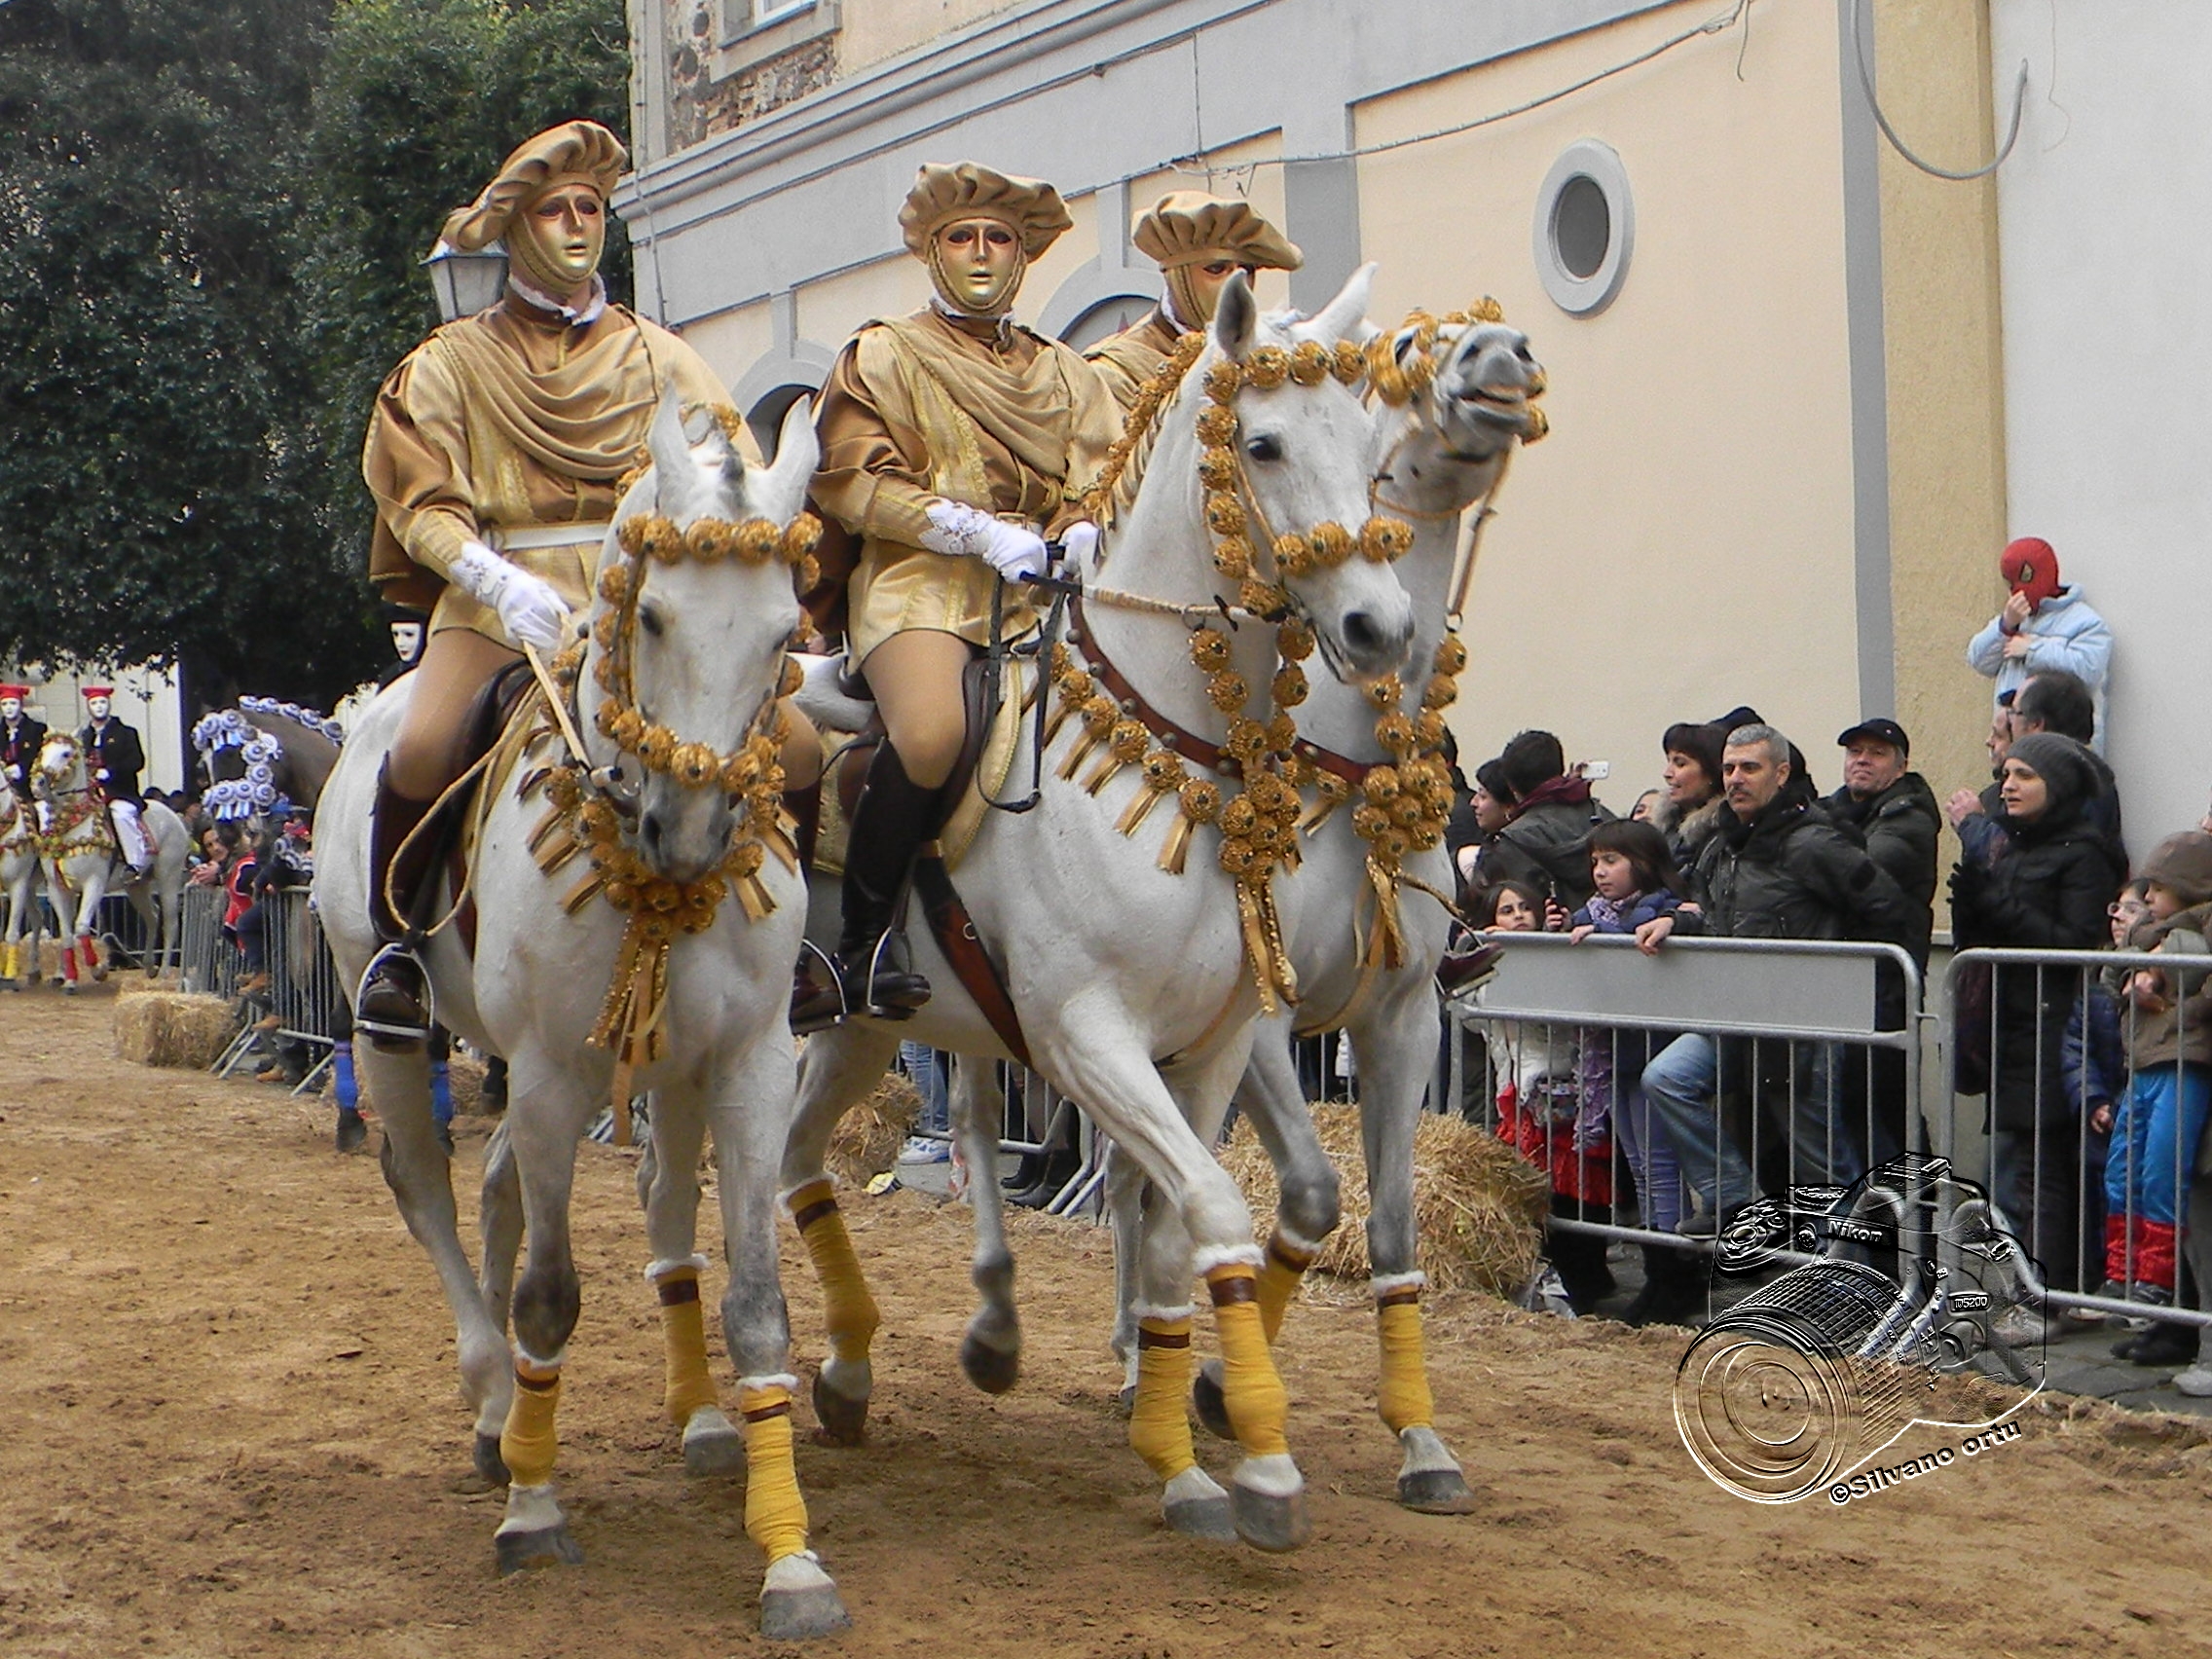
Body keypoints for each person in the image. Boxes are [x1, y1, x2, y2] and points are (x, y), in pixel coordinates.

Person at [356, 120, 762, 1048]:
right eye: (554, 210)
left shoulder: (665, 357)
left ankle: (813, 947)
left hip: (641, 599)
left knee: (794, 746)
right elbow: (421, 504)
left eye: (591, 208)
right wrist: (490, 579)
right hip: (502, 595)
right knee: (421, 747)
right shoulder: (451, 361)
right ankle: (399, 950)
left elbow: (730, 473)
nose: (578, 226)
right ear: (514, 229)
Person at [797, 161, 1116, 1030]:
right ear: (933, 253)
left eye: (999, 238)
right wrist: (977, 531)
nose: (982, 254)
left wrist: (1086, 523)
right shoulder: (883, 353)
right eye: (962, 238)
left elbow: (1104, 469)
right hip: (919, 582)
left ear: (1024, 255)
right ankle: (858, 942)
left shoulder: (1069, 373)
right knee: (934, 733)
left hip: (1044, 591)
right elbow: (853, 482)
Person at [1638, 724, 1920, 1227]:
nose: (1736, 779)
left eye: (1750, 768)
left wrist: (1845, 987)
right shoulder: (1721, 844)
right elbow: (1713, 912)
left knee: (1823, 1168)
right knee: (1667, 1078)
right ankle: (1735, 1200)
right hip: (1738, 1016)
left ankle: (1861, 1277)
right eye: (1728, 769)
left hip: (1805, 1027)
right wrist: (1677, 921)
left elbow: (1888, 911)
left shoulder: (1814, 841)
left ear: (1781, 773)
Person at [1946, 732, 2127, 1299]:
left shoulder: (2085, 852)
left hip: (2057, 1026)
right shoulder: (2016, 846)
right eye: (2006, 774)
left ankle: (2052, 1293)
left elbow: (2069, 942)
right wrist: (1971, 905)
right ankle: (2041, 1287)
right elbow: (1990, 939)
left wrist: (1994, 901)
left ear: (2059, 785)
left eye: (2024, 775)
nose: (2009, 785)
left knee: (2051, 1168)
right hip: (2012, 1022)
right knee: (2031, 1166)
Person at [1567, 821, 1703, 1326]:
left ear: (1642, 864)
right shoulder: (1594, 913)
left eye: (1612, 861)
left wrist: (1600, 935)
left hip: (1652, 1047)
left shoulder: (1663, 908)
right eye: (1596, 861)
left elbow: (1659, 933)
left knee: (1659, 1164)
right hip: (1616, 1053)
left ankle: (1671, 1272)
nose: (1600, 872)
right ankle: (1655, 1267)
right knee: (1640, 1165)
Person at [1473, 879, 1614, 1313]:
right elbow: (1475, 1016)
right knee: (1534, 1187)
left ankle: (1589, 1276)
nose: (1517, 917)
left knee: (1578, 1189)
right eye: (1506, 910)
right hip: (1522, 1092)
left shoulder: (1560, 955)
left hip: (1569, 1088)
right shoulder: (1487, 962)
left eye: (1523, 908)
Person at [2096, 832, 2212, 1360]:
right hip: (2142, 1064)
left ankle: (2157, 1284)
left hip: (2181, 1063)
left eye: (2161, 888)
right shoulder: (2149, 934)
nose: (2150, 897)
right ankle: (2126, 1276)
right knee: (2124, 1170)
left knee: (2161, 1172)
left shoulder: (2196, 930)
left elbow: (2197, 992)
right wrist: (2133, 965)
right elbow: (2108, 980)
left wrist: (2166, 995)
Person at [1085, 192, 1302, 410]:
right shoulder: (1115, 373)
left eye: (1247, 270)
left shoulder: (1266, 358)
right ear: (1178, 277)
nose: (1236, 284)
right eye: (1216, 269)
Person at [1966, 536, 2113, 750]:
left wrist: (2033, 650)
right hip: (2013, 747)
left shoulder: (2085, 623)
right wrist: (2006, 625)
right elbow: (1978, 660)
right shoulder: (2017, 619)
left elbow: (2088, 670)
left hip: (2061, 752)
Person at [1475, 729, 1614, 908]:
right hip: (1624, 932)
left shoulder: (1510, 843)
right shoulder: (1610, 821)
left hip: (1550, 933)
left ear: (1511, 787)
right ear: (1559, 768)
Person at [79, 686, 152, 874]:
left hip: (120, 792)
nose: (99, 707)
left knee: (120, 813)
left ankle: (135, 864)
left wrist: (111, 771)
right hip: (89, 795)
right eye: (94, 703)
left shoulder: (126, 733)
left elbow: (137, 761)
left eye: (103, 702)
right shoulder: (82, 737)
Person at [1649, 717, 1728, 875]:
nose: (1667, 774)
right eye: (1668, 762)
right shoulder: (1666, 829)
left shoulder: (1727, 834)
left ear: (1712, 772)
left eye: (1680, 764)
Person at [0, 685, 46, 815]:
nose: (9, 707)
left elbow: (42, 758)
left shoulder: (37, 730)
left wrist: (22, 768)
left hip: (29, 788)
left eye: (13, 703)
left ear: (21, 705)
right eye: (4, 704)